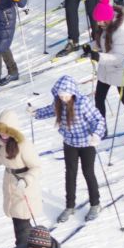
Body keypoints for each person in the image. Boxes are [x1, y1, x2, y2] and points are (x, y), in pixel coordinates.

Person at [29, 75, 105, 222]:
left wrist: (96, 134)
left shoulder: (82, 103)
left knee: (88, 173)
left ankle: (95, 204)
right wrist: (36, 112)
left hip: (87, 143)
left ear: (73, 92)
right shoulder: (59, 102)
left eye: (66, 95)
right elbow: (50, 111)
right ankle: (70, 206)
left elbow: (98, 119)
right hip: (69, 143)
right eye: (61, 95)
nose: (64, 98)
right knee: (70, 174)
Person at [83, 0, 124, 143]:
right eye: (98, 21)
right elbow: (100, 43)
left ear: (107, 18)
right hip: (105, 69)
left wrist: (98, 56)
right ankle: (101, 128)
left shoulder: (121, 32)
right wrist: (90, 47)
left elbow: (118, 57)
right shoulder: (104, 28)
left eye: (101, 21)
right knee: (99, 98)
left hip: (120, 70)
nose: (98, 24)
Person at [0, 110, 43, 245]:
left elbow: (36, 167)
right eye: (0, 130)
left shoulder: (24, 146)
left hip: (25, 188)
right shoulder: (1, 143)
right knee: (18, 222)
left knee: (21, 223)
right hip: (11, 185)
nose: (3, 133)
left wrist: (26, 180)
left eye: (6, 130)